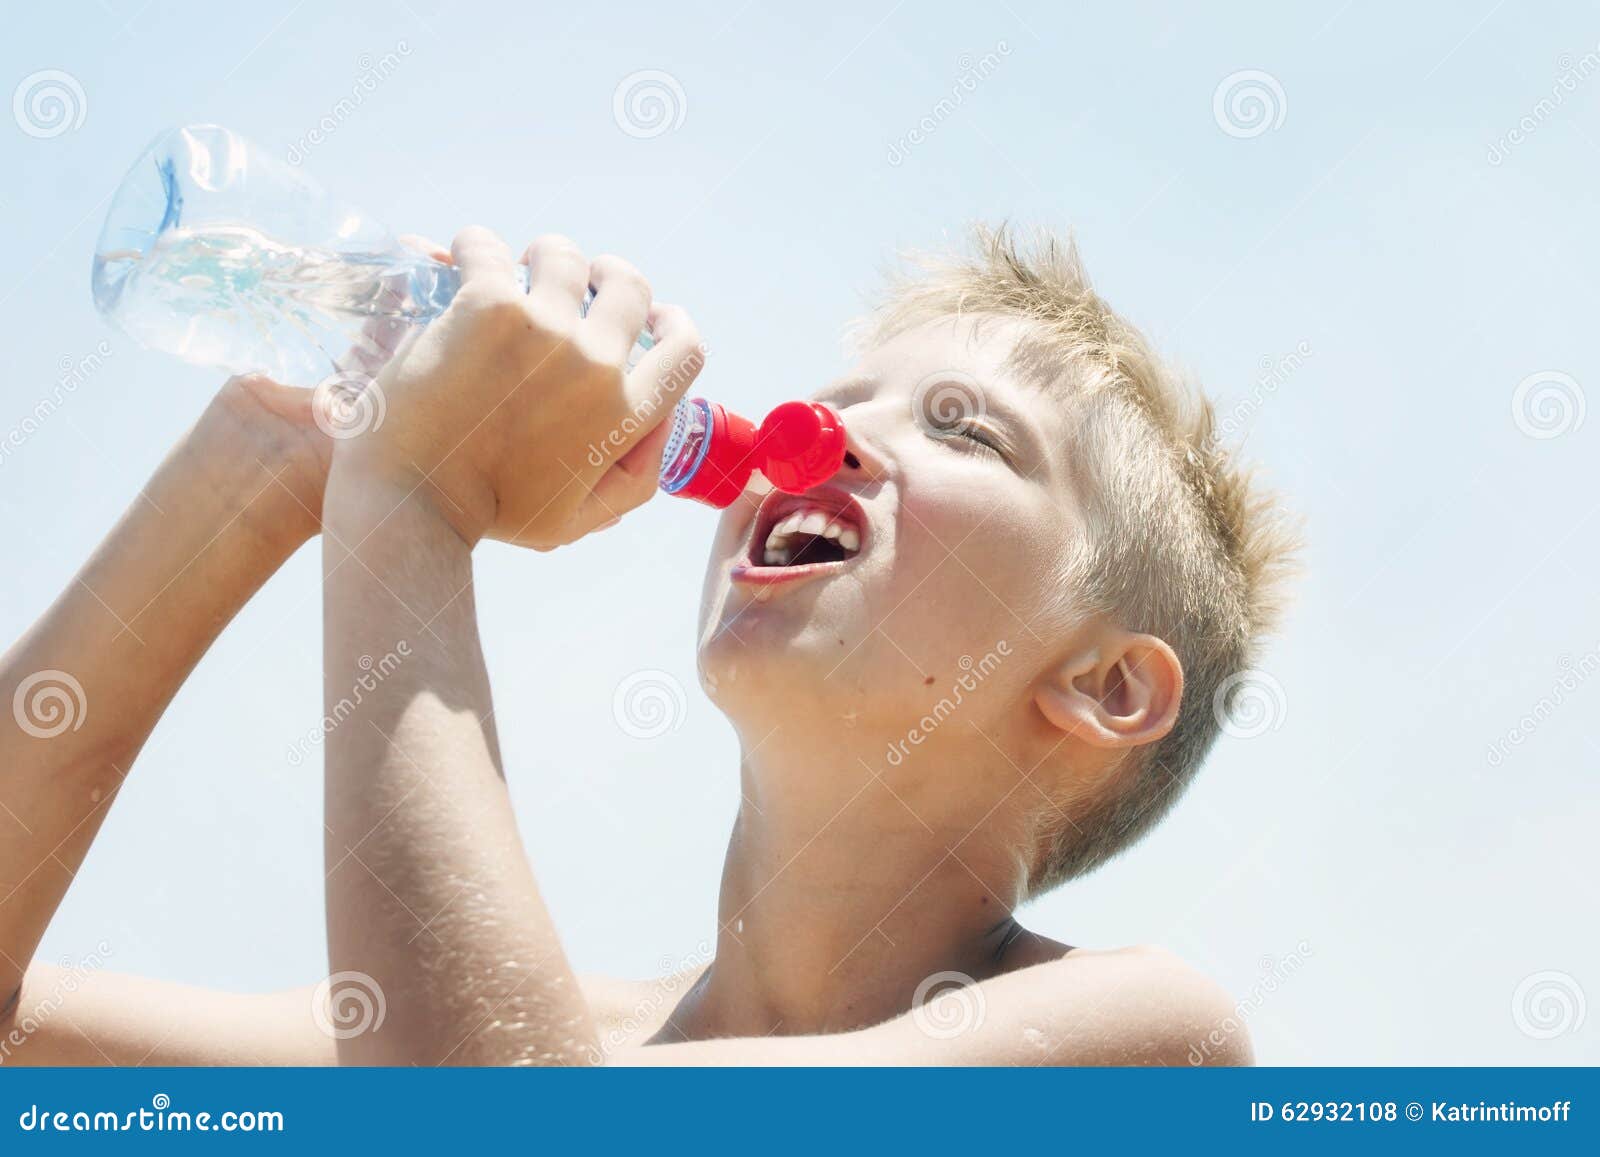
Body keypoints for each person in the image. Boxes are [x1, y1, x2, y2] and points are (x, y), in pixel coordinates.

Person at [1, 224, 1292, 1066]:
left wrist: (409, 510)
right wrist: (269, 463)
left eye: (966, 432)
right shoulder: (490, 1024)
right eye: (837, 401)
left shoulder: (1144, 1037)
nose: (823, 433)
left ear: (1108, 683)